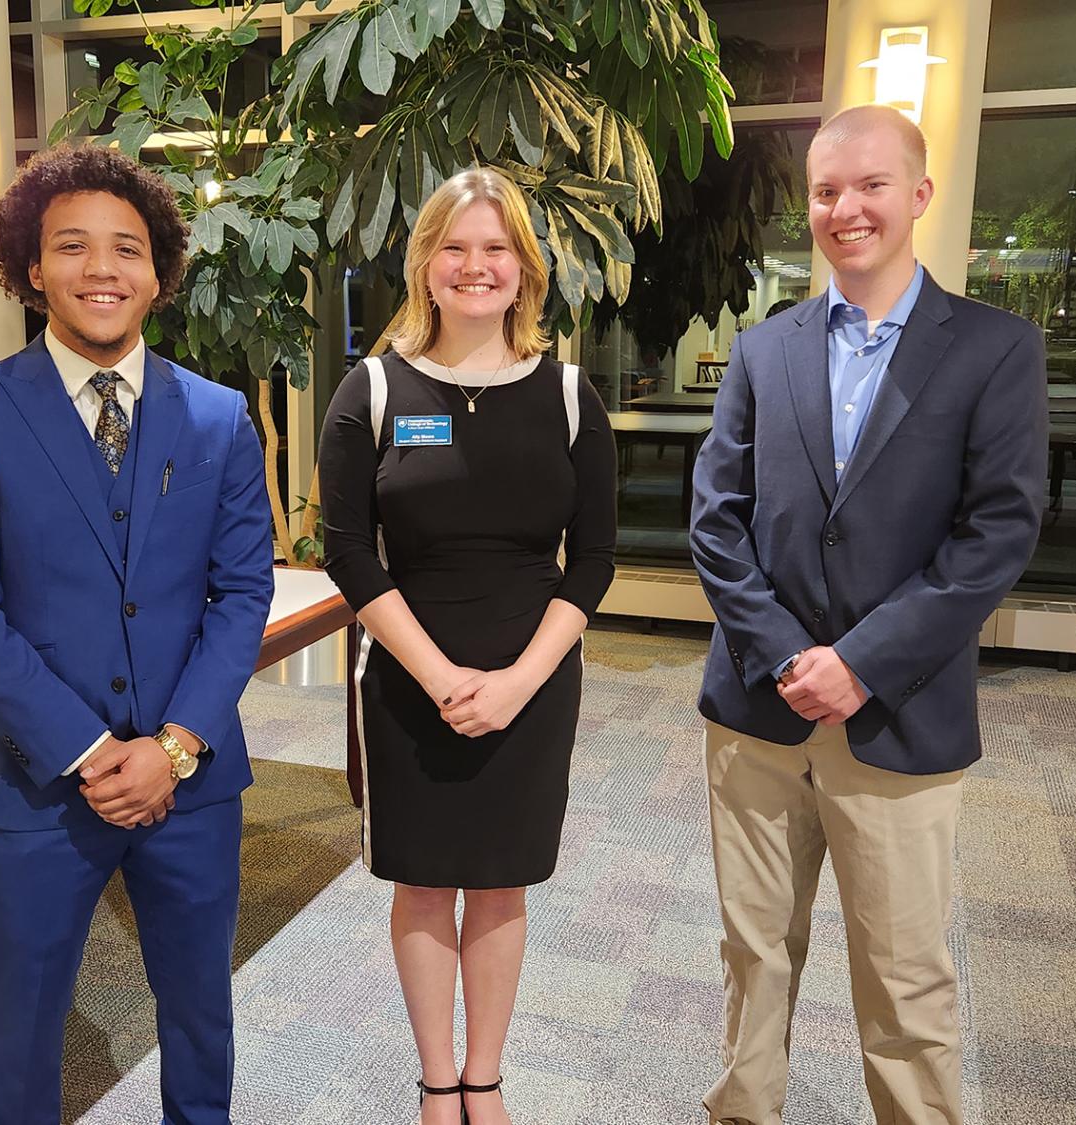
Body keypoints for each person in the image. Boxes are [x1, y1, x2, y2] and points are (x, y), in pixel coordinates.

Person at [689, 103, 1047, 1125]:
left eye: (871, 186)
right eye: (827, 190)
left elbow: (996, 537)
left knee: (904, 980)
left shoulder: (993, 349)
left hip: (900, 718)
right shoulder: (765, 351)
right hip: (756, 715)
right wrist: (788, 652)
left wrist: (861, 663)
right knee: (753, 956)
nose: (847, 209)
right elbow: (717, 523)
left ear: (920, 195)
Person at [0, 144, 274, 1125]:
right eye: (73, 247)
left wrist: (174, 747)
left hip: (191, 783)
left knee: (201, 1013)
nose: (102, 269)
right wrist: (86, 751)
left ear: (159, 272)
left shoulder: (220, 418)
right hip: (37, 781)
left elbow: (241, 595)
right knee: (21, 1026)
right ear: (32, 268)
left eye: (128, 249)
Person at [317, 167, 617, 1125]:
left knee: (499, 883)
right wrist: (443, 676)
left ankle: (484, 1081)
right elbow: (347, 551)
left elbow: (594, 563)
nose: (475, 266)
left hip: (533, 681)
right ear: (425, 265)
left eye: (496, 248)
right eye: (455, 246)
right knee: (422, 880)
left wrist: (521, 682)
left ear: (525, 269)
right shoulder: (371, 387)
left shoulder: (570, 396)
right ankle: (435, 1085)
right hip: (411, 680)